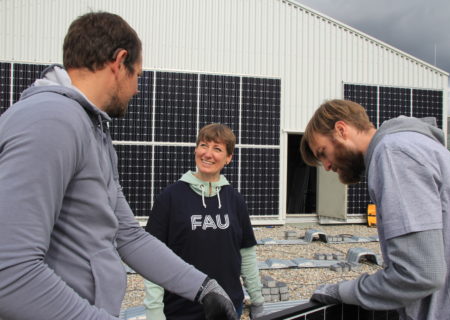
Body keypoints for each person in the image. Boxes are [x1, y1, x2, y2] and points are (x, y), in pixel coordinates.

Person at [0, 12, 237, 320]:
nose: (137, 89)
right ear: (119, 61)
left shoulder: (91, 129)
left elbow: (127, 234)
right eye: (137, 75)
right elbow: (10, 271)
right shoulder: (50, 120)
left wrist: (202, 286)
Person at [300, 99, 450, 320]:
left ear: (341, 130)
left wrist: (341, 291)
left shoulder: (394, 153)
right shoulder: (413, 145)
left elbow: (419, 275)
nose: (327, 166)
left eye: (323, 152)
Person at [143, 123, 265, 320]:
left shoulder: (235, 200)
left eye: (217, 149)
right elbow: (153, 257)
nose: (207, 154)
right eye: (203, 145)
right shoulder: (169, 198)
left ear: (228, 158)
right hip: (180, 310)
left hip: (228, 309)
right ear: (195, 150)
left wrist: (258, 300)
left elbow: (247, 254)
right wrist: (154, 311)